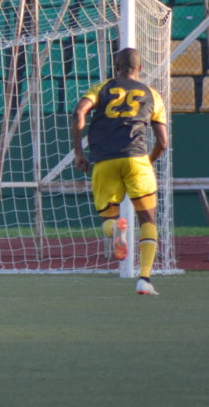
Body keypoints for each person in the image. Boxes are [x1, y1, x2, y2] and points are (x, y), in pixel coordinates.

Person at [71, 47, 168, 296]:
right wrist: (149, 160)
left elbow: (79, 111)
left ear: (115, 67)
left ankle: (115, 230)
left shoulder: (101, 88)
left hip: (105, 161)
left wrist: (79, 153)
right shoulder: (153, 95)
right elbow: (163, 142)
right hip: (137, 159)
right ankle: (144, 279)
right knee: (148, 220)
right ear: (140, 68)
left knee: (108, 218)